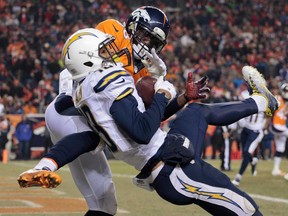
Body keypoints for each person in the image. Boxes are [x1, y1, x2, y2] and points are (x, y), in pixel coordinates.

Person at [18, 28, 280, 215]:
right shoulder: (108, 81)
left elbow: (86, 139)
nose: (110, 52)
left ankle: (262, 102)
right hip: (174, 170)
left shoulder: (90, 97)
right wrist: (162, 92)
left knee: (195, 112)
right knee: (246, 209)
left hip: (170, 156)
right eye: (102, 49)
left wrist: (47, 164)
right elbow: (143, 130)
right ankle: (261, 102)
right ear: (87, 57)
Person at [28, 6, 209, 216]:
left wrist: (181, 98)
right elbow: (92, 63)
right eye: (144, 35)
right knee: (97, 135)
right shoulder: (113, 30)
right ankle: (45, 166)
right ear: (132, 26)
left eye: (153, 42)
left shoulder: (141, 70)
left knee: (104, 204)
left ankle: (44, 167)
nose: (147, 43)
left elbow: (145, 119)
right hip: (70, 105)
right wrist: (152, 83)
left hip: (76, 115)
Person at [232, 88, 268, 186]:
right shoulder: (245, 94)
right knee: (245, 153)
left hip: (256, 131)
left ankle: (238, 176)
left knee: (247, 151)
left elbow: (269, 115)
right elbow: (238, 103)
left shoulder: (265, 98)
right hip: (246, 128)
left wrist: (264, 127)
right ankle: (253, 161)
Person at [270, 83, 288, 177]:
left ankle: (275, 169)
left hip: (282, 127)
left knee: (280, 148)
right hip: (276, 126)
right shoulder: (277, 99)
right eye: (286, 91)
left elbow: (285, 114)